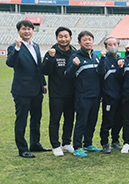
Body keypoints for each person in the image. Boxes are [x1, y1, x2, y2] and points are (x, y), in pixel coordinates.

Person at [7, 20, 49, 158]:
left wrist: (43, 83)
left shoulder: (35, 46)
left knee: (36, 118)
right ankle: (22, 148)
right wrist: (18, 48)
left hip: (37, 90)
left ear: (32, 31)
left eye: (29, 29)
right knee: (22, 120)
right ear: (18, 31)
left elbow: (38, 67)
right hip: (22, 91)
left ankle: (35, 144)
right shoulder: (14, 47)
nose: (27, 31)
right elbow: (10, 63)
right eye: (24, 29)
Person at [65, 31, 103, 157]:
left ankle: (88, 143)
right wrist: (74, 66)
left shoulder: (96, 56)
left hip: (96, 96)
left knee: (92, 121)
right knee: (81, 121)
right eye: (85, 40)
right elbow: (68, 76)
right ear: (79, 42)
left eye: (90, 39)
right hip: (82, 96)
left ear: (93, 42)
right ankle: (77, 146)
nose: (88, 42)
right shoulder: (75, 57)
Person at [41, 27, 76, 156]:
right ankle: (55, 145)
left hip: (72, 93)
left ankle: (66, 143)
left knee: (69, 119)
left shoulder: (74, 52)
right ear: (56, 38)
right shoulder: (52, 52)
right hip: (56, 94)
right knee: (55, 120)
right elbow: (44, 71)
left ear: (70, 38)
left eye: (66, 36)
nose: (63, 39)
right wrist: (50, 57)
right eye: (60, 36)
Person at [98, 37, 124, 154]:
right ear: (106, 47)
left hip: (121, 96)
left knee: (119, 120)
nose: (112, 46)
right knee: (107, 120)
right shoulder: (104, 60)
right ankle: (104, 142)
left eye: (114, 44)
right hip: (109, 96)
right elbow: (101, 73)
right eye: (110, 44)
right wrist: (102, 58)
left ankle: (115, 140)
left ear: (118, 45)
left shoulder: (121, 59)